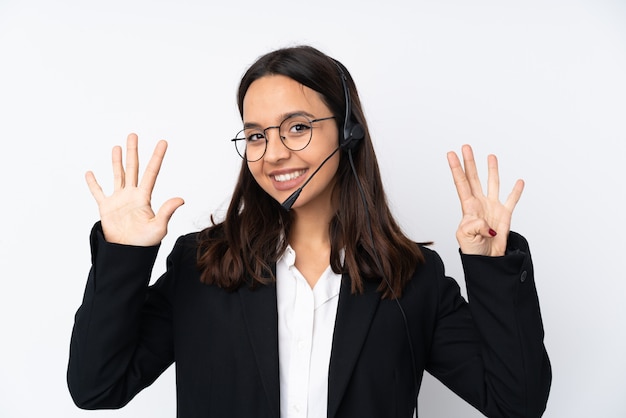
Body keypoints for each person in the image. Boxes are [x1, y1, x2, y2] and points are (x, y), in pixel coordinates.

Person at [67, 45, 551, 418]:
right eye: (256, 134)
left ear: (347, 132)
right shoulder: (202, 265)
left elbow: (517, 403)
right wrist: (123, 255)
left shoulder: (413, 277)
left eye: (296, 127)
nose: (273, 152)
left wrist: (491, 265)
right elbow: (96, 386)